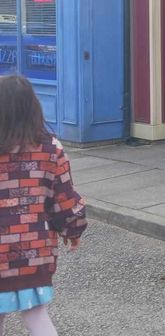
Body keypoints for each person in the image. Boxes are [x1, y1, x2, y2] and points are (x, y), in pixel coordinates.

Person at [0, 75, 86, 336]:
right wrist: (73, 230)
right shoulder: (51, 149)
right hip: (34, 254)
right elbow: (64, 199)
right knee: (36, 315)